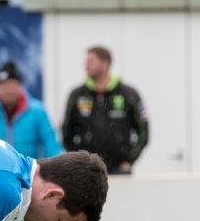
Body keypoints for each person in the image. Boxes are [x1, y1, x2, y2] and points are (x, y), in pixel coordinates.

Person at [61, 45, 149, 174]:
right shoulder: (77, 95)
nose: (85, 66)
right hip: (87, 171)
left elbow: (143, 131)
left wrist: (129, 161)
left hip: (120, 170)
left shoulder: (128, 94)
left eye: (90, 61)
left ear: (104, 64)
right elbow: (66, 131)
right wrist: (78, 161)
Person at [0, 61, 63, 158]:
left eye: (12, 84)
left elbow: (52, 147)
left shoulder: (38, 112)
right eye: (4, 85)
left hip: (27, 167)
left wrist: (53, 166)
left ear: (20, 86)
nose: (8, 90)